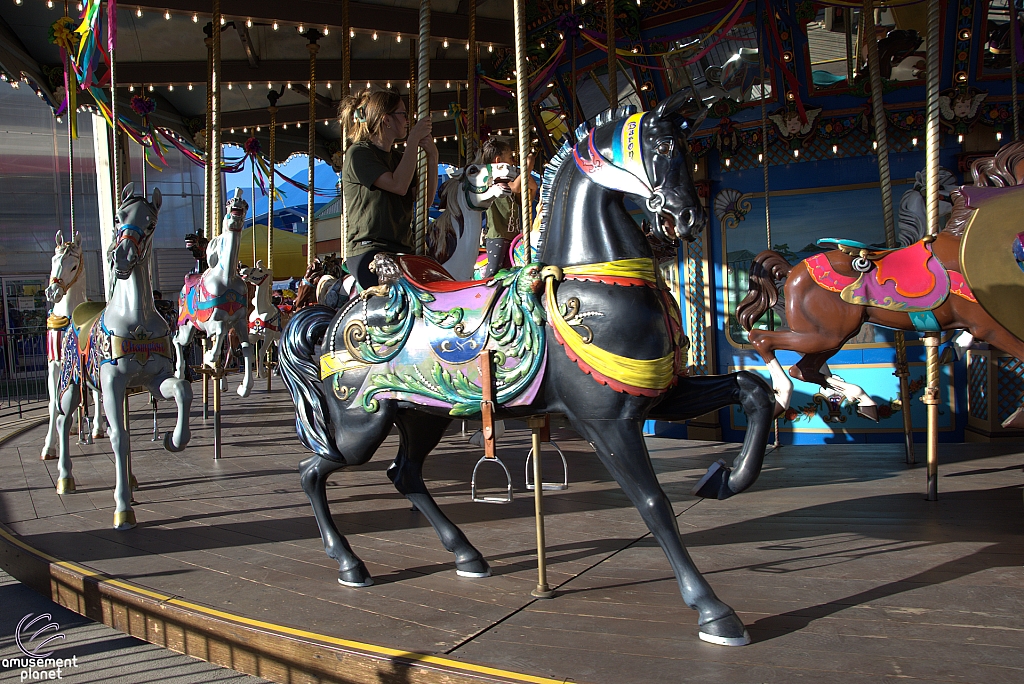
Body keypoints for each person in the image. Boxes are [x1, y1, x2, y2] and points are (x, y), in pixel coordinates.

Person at [338, 90, 438, 289]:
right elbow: (398, 186)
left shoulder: (399, 158)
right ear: (387, 120)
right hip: (371, 250)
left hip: (401, 249)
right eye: (403, 114)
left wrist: (433, 159)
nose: (407, 120)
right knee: (398, 301)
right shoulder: (359, 154)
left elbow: (424, 201)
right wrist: (412, 142)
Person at [478, 138, 536, 278]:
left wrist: (531, 185)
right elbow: (516, 188)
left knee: (510, 275)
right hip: (498, 235)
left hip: (514, 236)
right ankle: (485, 295)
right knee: (493, 273)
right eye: (510, 158)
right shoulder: (491, 180)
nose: (513, 161)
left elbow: (524, 201)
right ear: (498, 160)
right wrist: (526, 167)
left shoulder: (509, 179)